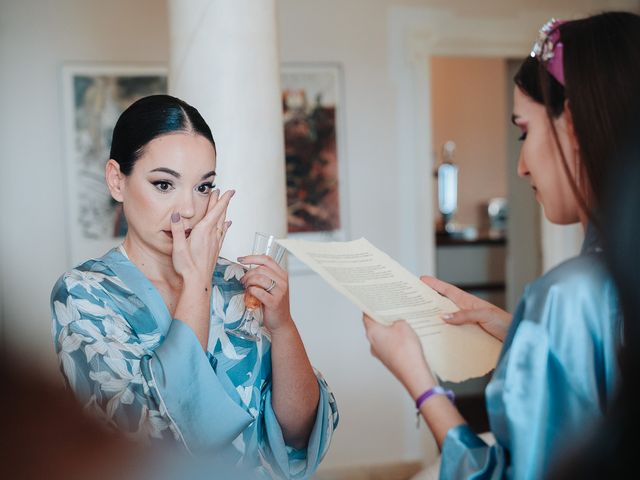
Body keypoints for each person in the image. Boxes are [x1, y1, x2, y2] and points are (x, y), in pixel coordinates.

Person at [363, 11, 640, 479]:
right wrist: (517, 331)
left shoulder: (567, 295)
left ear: (571, 124)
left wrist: (418, 379)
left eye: (524, 132)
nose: (522, 167)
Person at [51, 95, 338, 479]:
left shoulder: (238, 285)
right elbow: (154, 436)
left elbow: (299, 434)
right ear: (117, 180)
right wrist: (197, 280)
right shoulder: (83, 296)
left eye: (203, 188)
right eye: (164, 184)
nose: (187, 209)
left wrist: (283, 327)